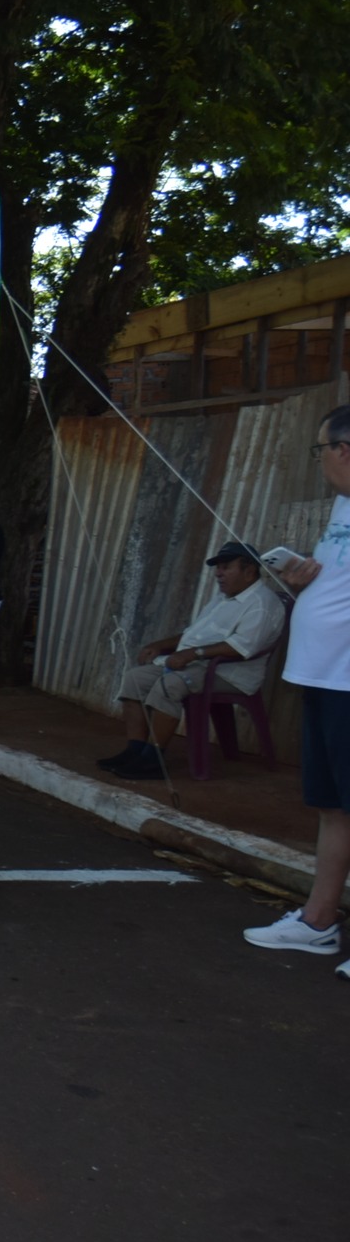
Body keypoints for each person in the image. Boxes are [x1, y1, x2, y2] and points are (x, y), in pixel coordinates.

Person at [243, 405, 350, 971]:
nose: (319, 462)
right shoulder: (343, 505)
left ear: (344, 450)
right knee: (333, 808)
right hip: (324, 675)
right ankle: (318, 922)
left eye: (320, 450)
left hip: (348, 680)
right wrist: (304, 577)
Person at [96, 540, 286, 780]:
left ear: (249, 571)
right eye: (218, 568)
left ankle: (153, 760)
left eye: (226, 567)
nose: (218, 573)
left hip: (229, 674)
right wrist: (161, 645)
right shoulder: (223, 597)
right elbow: (193, 634)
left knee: (170, 685)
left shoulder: (262, 604)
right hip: (198, 665)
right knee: (135, 679)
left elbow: (240, 649)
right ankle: (135, 750)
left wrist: (192, 654)